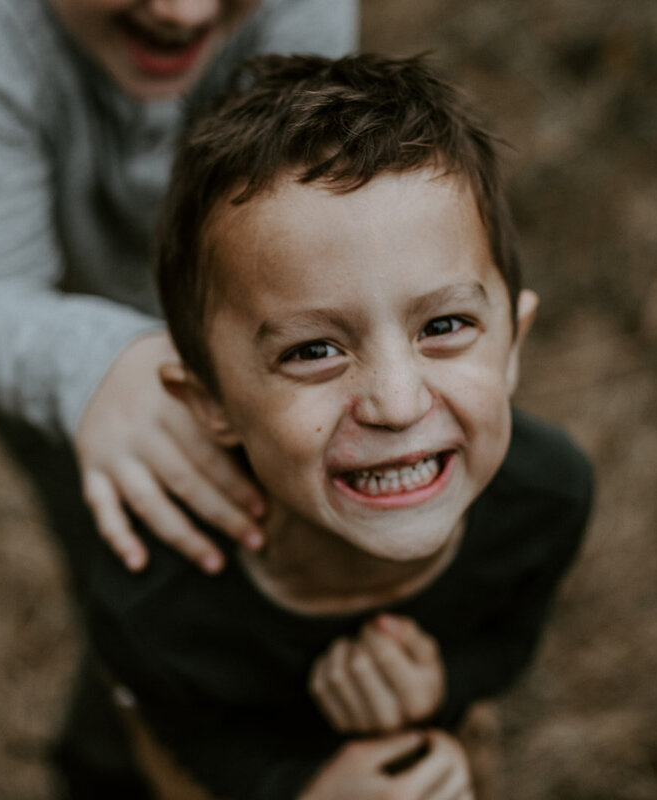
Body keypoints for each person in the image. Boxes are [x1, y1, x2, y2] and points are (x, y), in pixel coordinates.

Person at [0, 1, 358, 795]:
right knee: (141, 575)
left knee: (274, 563)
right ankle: (106, 770)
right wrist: (88, 369)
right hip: (44, 338)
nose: (184, 12)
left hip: (226, 316)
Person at [70, 52, 594, 799]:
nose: (397, 403)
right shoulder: (158, 600)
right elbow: (190, 743)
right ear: (210, 404)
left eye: (444, 324)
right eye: (314, 349)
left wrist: (440, 688)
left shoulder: (549, 497)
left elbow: (508, 643)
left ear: (514, 343)